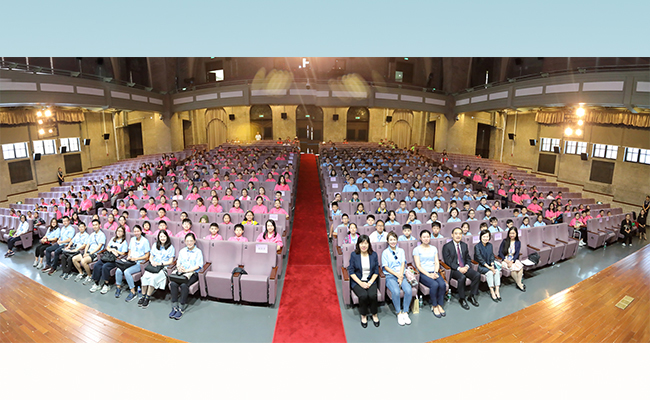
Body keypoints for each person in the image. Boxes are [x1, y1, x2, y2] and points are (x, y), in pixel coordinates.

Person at [442, 227, 480, 310]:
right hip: (454, 269)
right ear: (452, 235)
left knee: (477, 275)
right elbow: (448, 262)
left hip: (464, 267)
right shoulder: (447, 246)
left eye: (460, 233)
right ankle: (462, 299)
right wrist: (459, 268)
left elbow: (468, 258)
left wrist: (466, 266)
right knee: (462, 277)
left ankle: (471, 296)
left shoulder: (464, 245)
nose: (458, 235)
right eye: (456, 233)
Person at [169, 233, 204, 320]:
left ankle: (181, 307)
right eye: (187, 241)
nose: (189, 243)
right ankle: (174, 306)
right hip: (182, 272)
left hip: (192, 273)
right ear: (184, 241)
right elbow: (178, 262)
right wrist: (179, 267)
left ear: (194, 241)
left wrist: (187, 270)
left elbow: (198, 266)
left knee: (184, 285)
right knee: (173, 284)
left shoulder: (198, 252)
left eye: (191, 241)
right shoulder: (182, 251)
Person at [347, 235, 380, 328]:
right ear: (358, 244)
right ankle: (363, 315)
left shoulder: (374, 255)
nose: (364, 245)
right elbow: (351, 271)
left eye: (366, 243)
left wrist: (370, 283)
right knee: (363, 295)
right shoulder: (354, 255)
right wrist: (361, 283)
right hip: (358, 281)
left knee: (372, 295)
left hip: (370, 280)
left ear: (369, 244)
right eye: (361, 243)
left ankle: (374, 314)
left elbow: (376, 272)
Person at [413, 230, 446, 318]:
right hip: (423, 273)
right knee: (434, 285)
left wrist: (435, 272)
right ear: (420, 238)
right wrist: (428, 274)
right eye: (424, 237)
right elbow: (418, 265)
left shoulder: (434, 248)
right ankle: (434, 305)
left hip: (434, 271)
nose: (426, 239)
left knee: (442, 284)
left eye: (427, 237)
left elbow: (436, 262)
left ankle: (440, 305)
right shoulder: (416, 249)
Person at [381, 231, 412, 326]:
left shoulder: (401, 251)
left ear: (397, 240)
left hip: (401, 274)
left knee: (408, 290)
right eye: (391, 240)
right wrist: (397, 275)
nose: (393, 241)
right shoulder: (385, 252)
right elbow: (386, 267)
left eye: (394, 239)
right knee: (396, 291)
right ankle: (399, 313)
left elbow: (403, 263)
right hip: (390, 275)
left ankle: (405, 312)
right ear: (387, 241)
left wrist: (401, 276)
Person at [139, 230, 175, 308]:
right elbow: (151, 256)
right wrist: (152, 261)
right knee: (144, 277)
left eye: (164, 236)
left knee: (153, 279)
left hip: (163, 267)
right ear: (158, 237)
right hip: (154, 266)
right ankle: (143, 296)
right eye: (161, 236)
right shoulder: (155, 245)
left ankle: (147, 298)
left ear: (167, 237)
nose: (162, 238)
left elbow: (171, 261)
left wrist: (160, 263)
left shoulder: (170, 247)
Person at [474, 230, 501, 302]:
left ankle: (497, 290)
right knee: (490, 273)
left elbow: (492, 256)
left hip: (490, 265)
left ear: (489, 238)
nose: (485, 238)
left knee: (497, 271)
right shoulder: (477, 246)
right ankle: (492, 291)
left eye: (487, 237)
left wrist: (492, 264)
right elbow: (480, 259)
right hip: (481, 266)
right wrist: (490, 268)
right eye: (484, 236)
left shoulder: (490, 245)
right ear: (480, 237)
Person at [499, 227, 525, 291]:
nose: (511, 235)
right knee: (513, 268)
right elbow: (500, 252)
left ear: (516, 234)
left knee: (520, 267)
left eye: (513, 233)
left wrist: (512, 261)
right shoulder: (505, 241)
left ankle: (518, 283)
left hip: (513, 259)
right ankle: (519, 284)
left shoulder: (518, 242)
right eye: (510, 233)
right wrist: (506, 260)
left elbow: (517, 253)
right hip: (505, 259)